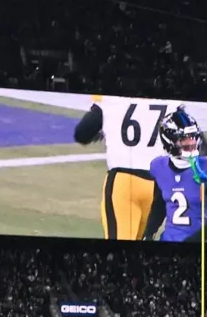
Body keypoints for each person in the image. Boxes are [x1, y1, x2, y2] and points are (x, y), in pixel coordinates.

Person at [73, 96, 173, 240]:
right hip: (156, 188)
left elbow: (82, 134)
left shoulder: (112, 99)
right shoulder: (171, 103)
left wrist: (103, 130)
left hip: (123, 182)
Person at [148, 108, 207, 243]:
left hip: (197, 242)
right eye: (183, 139)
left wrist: (191, 242)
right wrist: (148, 234)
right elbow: (159, 205)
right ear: (169, 140)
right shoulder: (160, 167)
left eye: (192, 137)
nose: (191, 142)